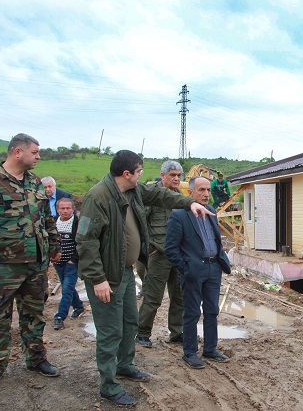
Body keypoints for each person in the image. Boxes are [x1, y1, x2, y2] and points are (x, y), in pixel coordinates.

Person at [76, 150, 213, 407]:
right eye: (138, 171)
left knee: (130, 322)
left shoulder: (134, 190)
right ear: (126, 173)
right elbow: (85, 241)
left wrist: (189, 202)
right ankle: (108, 384)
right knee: (110, 330)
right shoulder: (98, 197)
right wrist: (97, 279)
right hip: (107, 276)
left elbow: (160, 195)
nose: (141, 176)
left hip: (126, 271)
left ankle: (125, 365)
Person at [0, 133, 61, 392]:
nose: (38, 157)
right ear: (18, 152)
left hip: (35, 265)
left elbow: (46, 218)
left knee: (34, 314)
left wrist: (54, 246)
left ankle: (36, 359)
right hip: (1, 265)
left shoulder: (35, 182)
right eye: (35, 152)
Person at [165, 176, 232, 369]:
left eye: (208, 190)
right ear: (190, 192)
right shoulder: (179, 215)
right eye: (201, 190)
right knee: (192, 312)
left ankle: (210, 349)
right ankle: (190, 352)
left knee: (212, 310)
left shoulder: (211, 211)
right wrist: (186, 268)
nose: (206, 194)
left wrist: (220, 261)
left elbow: (216, 240)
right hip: (194, 271)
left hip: (213, 268)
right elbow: (171, 248)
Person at [136, 161, 185, 348]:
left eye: (179, 175)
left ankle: (177, 332)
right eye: (172, 175)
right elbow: (140, 224)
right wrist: (149, 249)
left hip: (178, 257)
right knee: (152, 296)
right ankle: (142, 333)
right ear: (162, 175)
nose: (176, 178)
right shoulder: (151, 195)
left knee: (179, 296)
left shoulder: (179, 197)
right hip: (159, 255)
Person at [52, 197, 85, 330]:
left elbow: (81, 242)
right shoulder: (54, 223)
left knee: (66, 289)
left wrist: (74, 259)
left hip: (71, 262)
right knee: (69, 288)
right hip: (57, 262)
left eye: (68, 208)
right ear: (57, 209)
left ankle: (60, 317)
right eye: (62, 208)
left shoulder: (77, 223)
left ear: (73, 209)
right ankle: (78, 306)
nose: (65, 211)